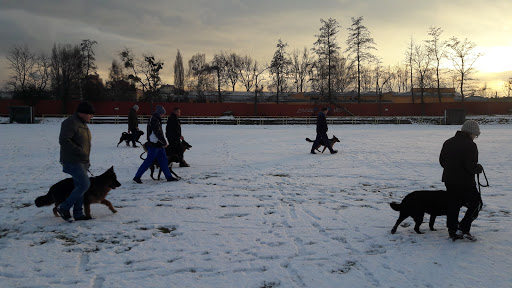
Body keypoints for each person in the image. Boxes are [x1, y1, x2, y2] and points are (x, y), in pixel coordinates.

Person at [440, 120, 484, 241]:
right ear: (471, 132)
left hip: (449, 180)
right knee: (476, 203)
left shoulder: (448, 142)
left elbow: (442, 161)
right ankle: (464, 228)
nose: (475, 137)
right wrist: (478, 168)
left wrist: (452, 169)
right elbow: (470, 166)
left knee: (453, 205)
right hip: (465, 182)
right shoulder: (471, 145)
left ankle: (452, 230)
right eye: (475, 135)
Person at [56, 101, 95, 222]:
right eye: (90, 114)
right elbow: (64, 140)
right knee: (85, 184)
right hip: (72, 160)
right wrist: (79, 151)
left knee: (80, 186)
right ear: (82, 113)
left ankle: (78, 214)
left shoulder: (83, 124)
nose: (91, 116)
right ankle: (64, 207)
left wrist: (86, 158)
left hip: (82, 160)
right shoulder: (70, 122)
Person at [133, 105, 178, 183]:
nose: (164, 115)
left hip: (158, 144)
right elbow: (157, 133)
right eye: (163, 114)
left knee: (163, 161)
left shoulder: (156, 119)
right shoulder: (154, 120)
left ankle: (169, 177)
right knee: (149, 161)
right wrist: (164, 142)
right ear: (160, 113)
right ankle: (137, 177)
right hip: (154, 144)